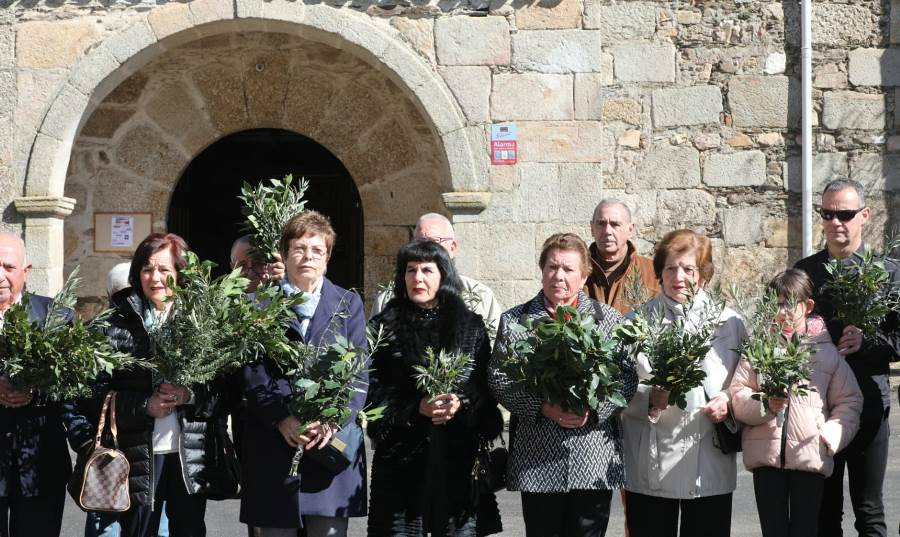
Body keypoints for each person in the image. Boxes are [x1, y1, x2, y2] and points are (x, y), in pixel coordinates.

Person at [488, 232, 637, 537]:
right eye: (552, 267)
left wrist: (593, 408)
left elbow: (626, 377)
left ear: (584, 277)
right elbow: (499, 378)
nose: (559, 276)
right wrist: (543, 407)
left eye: (568, 269)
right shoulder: (516, 320)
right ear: (542, 270)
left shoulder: (607, 320)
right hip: (538, 458)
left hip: (592, 456)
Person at [94, 233, 236, 537]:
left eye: (164, 270)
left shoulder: (205, 322)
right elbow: (94, 394)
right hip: (138, 455)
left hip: (189, 454)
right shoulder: (115, 324)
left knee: (189, 529)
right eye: (147, 269)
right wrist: (144, 406)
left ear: (180, 275)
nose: (155, 278)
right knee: (139, 531)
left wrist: (189, 395)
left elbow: (224, 392)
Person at [241, 211, 367, 537]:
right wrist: (281, 417)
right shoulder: (257, 305)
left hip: (328, 447)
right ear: (284, 255)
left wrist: (331, 419)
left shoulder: (348, 304)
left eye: (316, 250)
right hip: (274, 445)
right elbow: (252, 370)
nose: (307, 257)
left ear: (327, 257)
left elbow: (358, 370)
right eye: (299, 248)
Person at [366, 239, 503, 537]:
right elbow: (371, 395)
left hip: (458, 461)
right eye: (411, 270)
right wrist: (415, 407)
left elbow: (486, 390)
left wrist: (461, 402)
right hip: (401, 464)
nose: (418, 278)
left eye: (427, 270)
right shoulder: (383, 327)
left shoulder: (470, 326)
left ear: (444, 275)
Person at [620, 229, 746, 537]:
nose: (679, 276)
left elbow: (747, 383)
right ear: (660, 273)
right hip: (651, 461)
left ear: (703, 275)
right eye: (671, 268)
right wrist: (648, 397)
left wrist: (728, 400)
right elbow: (615, 389)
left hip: (708, 464)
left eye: (689, 269)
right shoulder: (636, 323)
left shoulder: (730, 325)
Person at [794, 179, 900, 537]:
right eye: (828, 214)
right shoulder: (805, 272)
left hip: (870, 401)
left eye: (845, 214)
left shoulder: (887, 273)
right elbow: (784, 332)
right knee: (824, 513)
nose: (836, 221)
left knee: (869, 512)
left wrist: (869, 342)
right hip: (819, 408)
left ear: (864, 216)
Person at [730, 268, 862, 537]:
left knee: (805, 529)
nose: (784, 312)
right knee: (773, 530)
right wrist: (765, 405)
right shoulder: (759, 348)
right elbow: (738, 391)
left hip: (809, 455)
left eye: (791, 304)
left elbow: (850, 400)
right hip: (765, 458)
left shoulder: (825, 353)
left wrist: (829, 436)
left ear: (808, 305)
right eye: (778, 304)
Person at [0, 232, 94, 537]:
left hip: (40, 467)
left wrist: (36, 388)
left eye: (8, 267)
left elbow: (75, 391)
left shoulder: (56, 317)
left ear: (25, 271)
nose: (0, 276)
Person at [370, 213, 502, 340]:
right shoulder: (387, 297)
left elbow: (494, 349)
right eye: (420, 241)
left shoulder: (480, 296)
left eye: (434, 241)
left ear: (452, 248)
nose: (425, 248)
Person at [584, 200, 659, 314]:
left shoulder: (655, 274)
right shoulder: (576, 271)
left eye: (615, 224)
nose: (607, 231)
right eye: (601, 223)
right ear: (592, 228)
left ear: (630, 230)